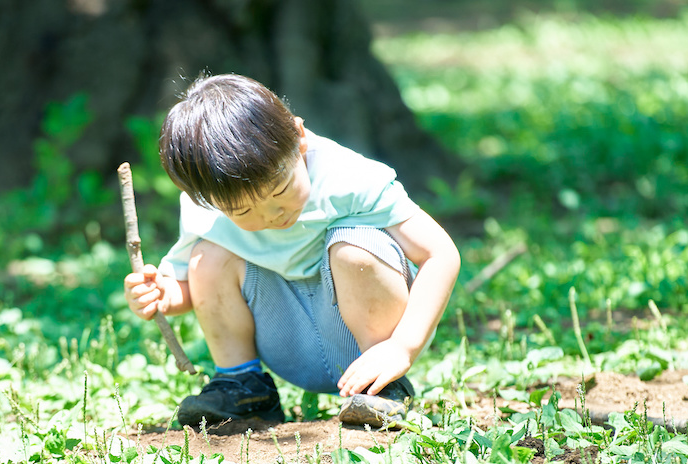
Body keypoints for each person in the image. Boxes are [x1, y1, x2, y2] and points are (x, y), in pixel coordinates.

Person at [124, 73, 460, 429]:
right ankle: (243, 386)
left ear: (299, 138)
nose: (272, 214)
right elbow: (191, 287)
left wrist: (402, 348)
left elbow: (440, 254)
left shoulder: (349, 177)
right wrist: (159, 295)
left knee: (354, 247)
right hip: (287, 341)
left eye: (280, 189)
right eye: (243, 211)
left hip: (371, 347)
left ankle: (385, 391)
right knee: (208, 255)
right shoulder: (209, 207)